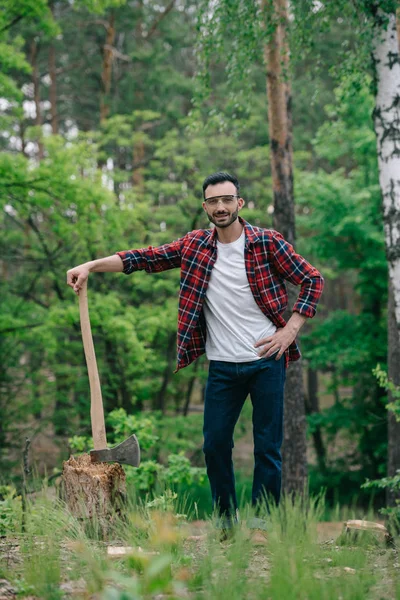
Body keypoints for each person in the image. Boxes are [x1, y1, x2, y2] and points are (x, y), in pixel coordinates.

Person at [67, 171, 324, 538]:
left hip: (267, 362)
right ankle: (225, 522)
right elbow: (144, 258)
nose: (220, 207)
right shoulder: (196, 246)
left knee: (268, 447)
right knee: (215, 445)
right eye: (213, 201)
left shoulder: (267, 243)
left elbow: (312, 279)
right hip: (222, 366)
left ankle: (263, 524)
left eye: (226, 199)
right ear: (206, 207)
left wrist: (290, 330)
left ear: (240, 203)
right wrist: (91, 265)